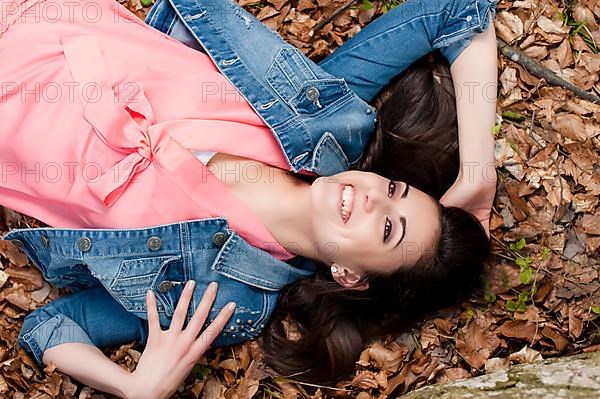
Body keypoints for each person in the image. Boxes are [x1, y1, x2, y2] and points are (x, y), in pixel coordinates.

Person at [0, 0, 496, 395]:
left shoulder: (224, 295)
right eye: (393, 190)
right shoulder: (324, 123)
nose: (372, 198)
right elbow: (454, 9)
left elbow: (51, 325)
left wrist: (134, 387)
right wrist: (478, 173)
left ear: (351, 275)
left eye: (388, 228)